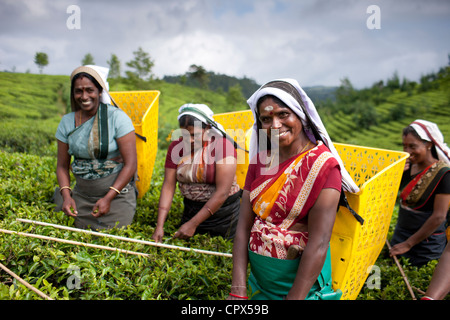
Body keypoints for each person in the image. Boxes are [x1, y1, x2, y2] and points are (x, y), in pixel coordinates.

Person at [228, 79, 360, 300]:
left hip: (300, 290)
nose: (276, 125)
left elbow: (318, 243)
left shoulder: (324, 168)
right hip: (259, 285)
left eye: (283, 115)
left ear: (300, 116)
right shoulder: (260, 162)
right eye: (266, 119)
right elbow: (243, 227)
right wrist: (239, 290)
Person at [55, 65, 137, 230]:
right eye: (78, 91)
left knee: (112, 236)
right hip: (80, 197)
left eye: (89, 90)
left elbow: (131, 164)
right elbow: (62, 166)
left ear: (100, 92)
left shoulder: (117, 118)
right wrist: (66, 196)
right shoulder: (67, 122)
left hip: (116, 198)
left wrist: (108, 198)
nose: (84, 96)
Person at [151, 104, 241, 242]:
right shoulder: (177, 147)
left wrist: (193, 224)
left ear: (208, 129)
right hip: (191, 210)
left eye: (195, 135)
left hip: (224, 215)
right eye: (185, 134)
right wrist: (159, 226)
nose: (190, 140)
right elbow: (168, 186)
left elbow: (222, 192)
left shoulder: (222, 147)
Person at [390, 120, 450, 267]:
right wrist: (394, 174)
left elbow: (439, 217)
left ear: (428, 145)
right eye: (404, 146)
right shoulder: (408, 168)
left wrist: (408, 244)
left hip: (427, 245)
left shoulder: (444, 174)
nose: (407, 151)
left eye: (412, 146)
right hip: (401, 235)